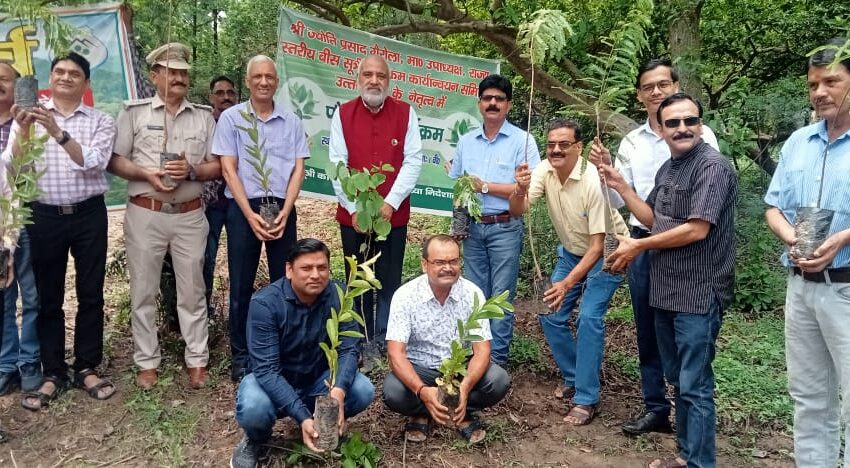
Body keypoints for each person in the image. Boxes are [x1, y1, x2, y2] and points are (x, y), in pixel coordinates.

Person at [599, 93, 737, 468]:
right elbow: (653, 219)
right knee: (678, 379)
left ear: (700, 124)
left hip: (697, 291)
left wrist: (637, 248)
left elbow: (696, 229)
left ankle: (700, 462)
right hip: (665, 289)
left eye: (689, 121)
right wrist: (622, 186)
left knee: (695, 384)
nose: (682, 128)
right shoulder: (669, 169)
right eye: (672, 123)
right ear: (660, 130)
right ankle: (686, 454)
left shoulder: (712, 167)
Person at [589, 58, 720, 436]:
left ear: (676, 84)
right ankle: (656, 408)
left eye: (664, 84)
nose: (657, 91)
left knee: (687, 332)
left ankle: (690, 415)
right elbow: (616, 201)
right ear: (640, 95)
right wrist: (606, 174)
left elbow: (703, 211)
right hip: (642, 242)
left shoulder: (700, 135)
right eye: (649, 87)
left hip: (690, 245)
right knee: (647, 327)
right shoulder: (632, 141)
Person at [2, 53, 118, 410]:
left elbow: (94, 162)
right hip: (44, 216)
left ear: (86, 83)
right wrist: (24, 129)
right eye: (59, 72)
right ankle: (53, 372)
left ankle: (86, 366)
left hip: (88, 215)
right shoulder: (29, 117)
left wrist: (56, 131)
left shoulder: (100, 120)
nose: (66, 77)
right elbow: (13, 164)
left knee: (91, 293)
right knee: (47, 298)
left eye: (74, 73)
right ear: (50, 79)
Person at [109, 42, 220, 390]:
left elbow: (218, 165)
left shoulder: (203, 116)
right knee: (143, 289)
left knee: (193, 289)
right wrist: (146, 173)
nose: (179, 78)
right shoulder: (133, 113)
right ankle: (146, 361)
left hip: (189, 215)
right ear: (154, 75)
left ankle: (197, 359)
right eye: (171, 72)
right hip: (146, 213)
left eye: (183, 73)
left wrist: (191, 170)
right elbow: (114, 160)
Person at [764, 40, 850, 468]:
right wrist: (791, 237)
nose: (820, 92)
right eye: (814, 84)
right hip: (800, 288)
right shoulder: (799, 141)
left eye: (831, 81)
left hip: (847, 288)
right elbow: (773, 207)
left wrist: (842, 238)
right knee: (809, 396)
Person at [509, 119, 626, 426]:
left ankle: (586, 400)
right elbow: (517, 210)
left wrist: (567, 283)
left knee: (588, 317)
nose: (556, 150)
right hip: (572, 251)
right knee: (550, 314)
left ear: (579, 147)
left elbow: (599, 245)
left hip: (609, 254)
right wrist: (519, 190)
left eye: (564, 144)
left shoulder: (592, 182)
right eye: (551, 144)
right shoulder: (545, 170)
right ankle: (577, 377)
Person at [229, 239, 374, 468]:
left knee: (362, 389)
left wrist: (337, 393)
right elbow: (267, 371)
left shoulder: (339, 295)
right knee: (254, 406)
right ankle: (256, 439)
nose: (315, 275)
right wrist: (301, 416)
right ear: (289, 270)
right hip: (273, 384)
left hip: (317, 381)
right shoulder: (265, 304)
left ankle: (321, 423)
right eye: (306, 268)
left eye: (322, 268)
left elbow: (348, 349)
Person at [213, 55, 308, 382]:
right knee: (241, 286)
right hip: (243, 209)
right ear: (249, 80)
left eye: (270, 76)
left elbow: (299, 169)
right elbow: (228, 168)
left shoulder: (292, 121)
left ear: (276, 81)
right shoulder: (231, 118)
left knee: (285, 284)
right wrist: (247, 213)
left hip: (281, 207)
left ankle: (283, 349)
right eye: (258, 77)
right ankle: (241, 356)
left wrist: (286, 209)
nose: (264, 82)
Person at [328, 54, 422, 367]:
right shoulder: (343, 114)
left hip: (391, 217)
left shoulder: (406, 114)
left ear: (389, 80)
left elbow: (413, 161)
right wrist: (355, 208)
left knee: (388, 278)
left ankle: (385, 338)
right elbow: (337, 164)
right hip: (353, 218)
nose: (374, 80)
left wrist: (389, 203)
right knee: (358, 278)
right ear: (358, 79)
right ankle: (358, 340)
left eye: (380, 75)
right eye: (367, 74)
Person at [447, 74, 540, 365]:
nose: (493, 103)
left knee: (501, 296)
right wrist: (458, 222)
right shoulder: (466, 142)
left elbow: (527, 188)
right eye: (487, 98)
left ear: (508, 105)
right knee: (474, 294)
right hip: (473, 228)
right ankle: (474, 356)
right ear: (479, 104)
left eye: (499, 99)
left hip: (505, 227)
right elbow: (460, 186)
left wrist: (484, 186)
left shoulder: (522, 141)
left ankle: (496, 361)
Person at [383, 234, 510, 444]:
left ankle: (461, 410)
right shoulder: (405, 296)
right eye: (440, 262)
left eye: (453, 261)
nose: (448, 268)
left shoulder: (472, 294)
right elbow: (396, 354)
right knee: (393, 392)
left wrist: (466, 387)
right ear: (425, 264)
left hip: (460, 369)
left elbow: (482, 351)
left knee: (498, 381)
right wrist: (422, 390)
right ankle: (425, 409)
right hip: (421, 369)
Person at [0, 60, 40, 397]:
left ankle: (30, 363)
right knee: (2, 299)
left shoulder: (29, 122)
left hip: (25, 217)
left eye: (5, 79)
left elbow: (21, 166)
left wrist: (23, 128)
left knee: (31, 296)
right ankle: (6, 365)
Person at [202, 75, 237, 318]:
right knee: (206, 258)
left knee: (240, 257)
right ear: (211, 97)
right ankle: (203, 308)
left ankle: (238, 309)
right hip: (210, 204)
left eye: (230, 92)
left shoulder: (243, 122)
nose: (225, 97)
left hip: (239, 203)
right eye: (220, 92)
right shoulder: (204, 124)